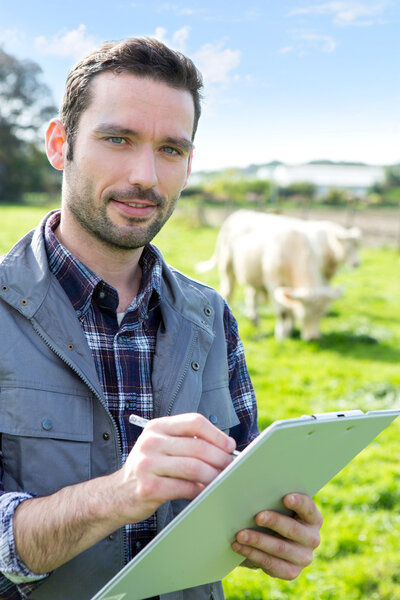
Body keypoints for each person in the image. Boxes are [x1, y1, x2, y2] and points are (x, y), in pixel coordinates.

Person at [0, 38, 323, 600]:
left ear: (189, 162)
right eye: (117, 139)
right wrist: (121, 493)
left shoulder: (211, 314)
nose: (145, 175)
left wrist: (271, 532)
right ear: (60, 143)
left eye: (171, 149)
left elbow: (238, 491)